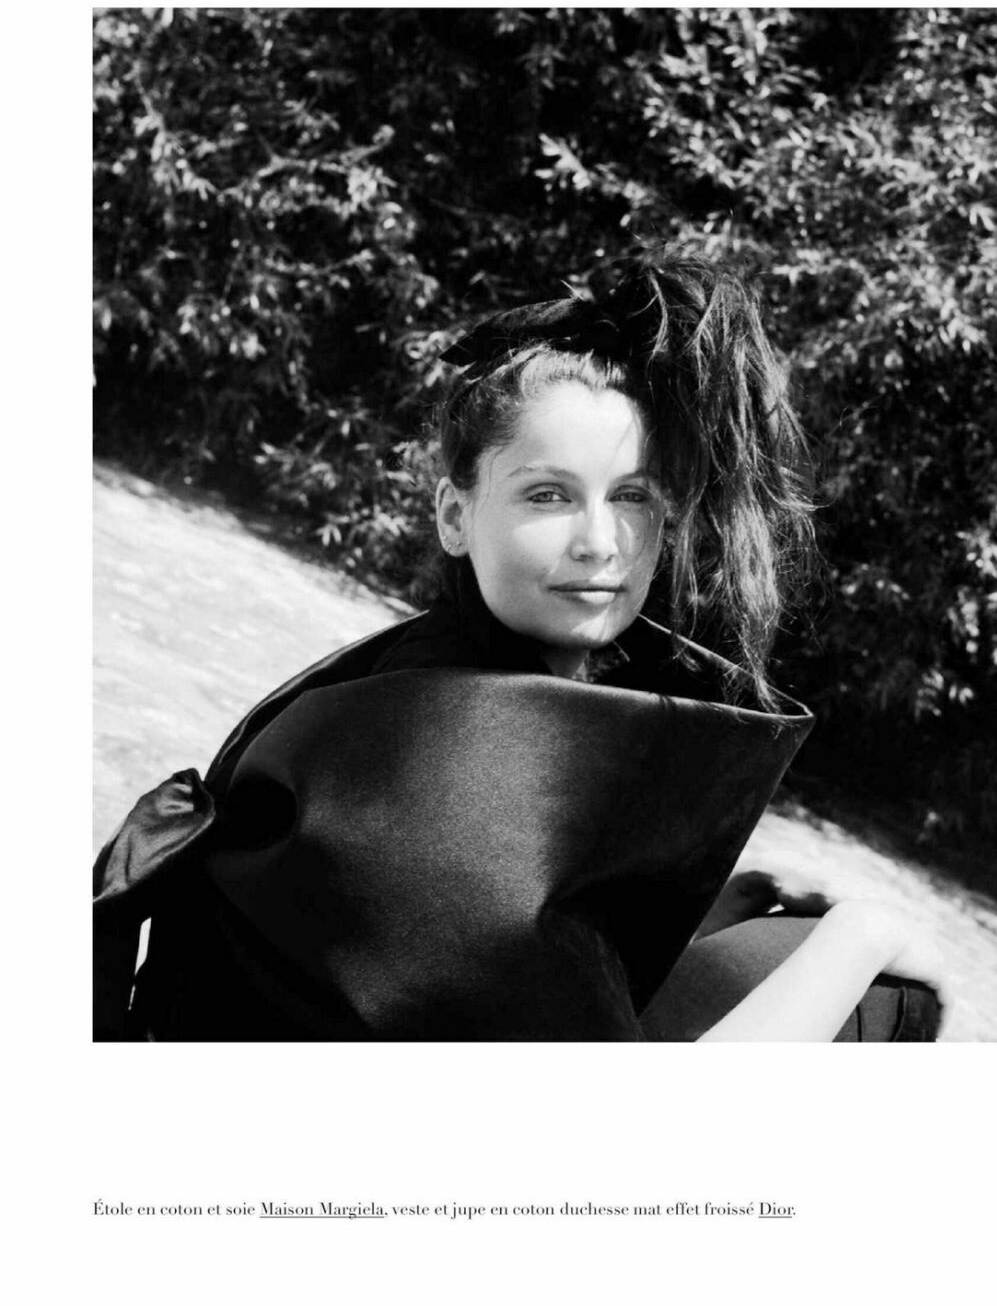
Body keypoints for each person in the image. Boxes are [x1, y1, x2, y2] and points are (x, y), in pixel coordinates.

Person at [93, 255, 949, 1042]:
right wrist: (864, 935)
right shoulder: (450, 776)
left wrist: (709, 912)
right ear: (454, 515)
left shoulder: (442, 678)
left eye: (632, 497)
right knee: (880, 988)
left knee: (779, 940)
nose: (599, 543)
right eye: (548, 496)